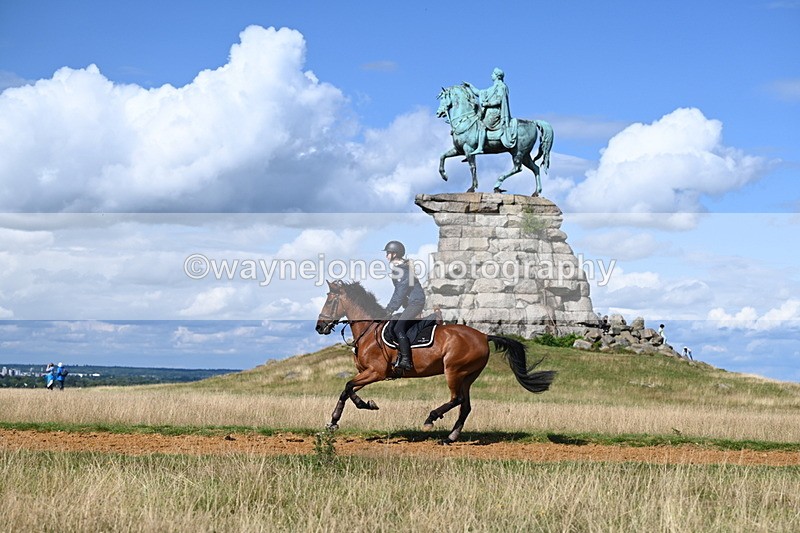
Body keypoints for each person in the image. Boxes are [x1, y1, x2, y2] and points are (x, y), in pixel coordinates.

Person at [383, 240, 425, 371]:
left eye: (388, 253)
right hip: (411, 303)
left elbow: (400, 293)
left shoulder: (401, 270)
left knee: (398, 328)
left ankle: (406, 360)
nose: (386, 256)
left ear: (395, 254)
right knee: (395, 323)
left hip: (415, 302)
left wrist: (389, 309)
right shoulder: (400, 268)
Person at [463, 67, 512, 157]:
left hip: (494, 113)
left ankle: (480, 148)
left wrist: (487, 104)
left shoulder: (501, 87)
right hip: (489, 112)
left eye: (492, 73)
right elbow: (480, 93)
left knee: (481, 125)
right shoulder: (492, 88)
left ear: (497, 76)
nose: (491, 75)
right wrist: (470, 86)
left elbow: (499, 100)